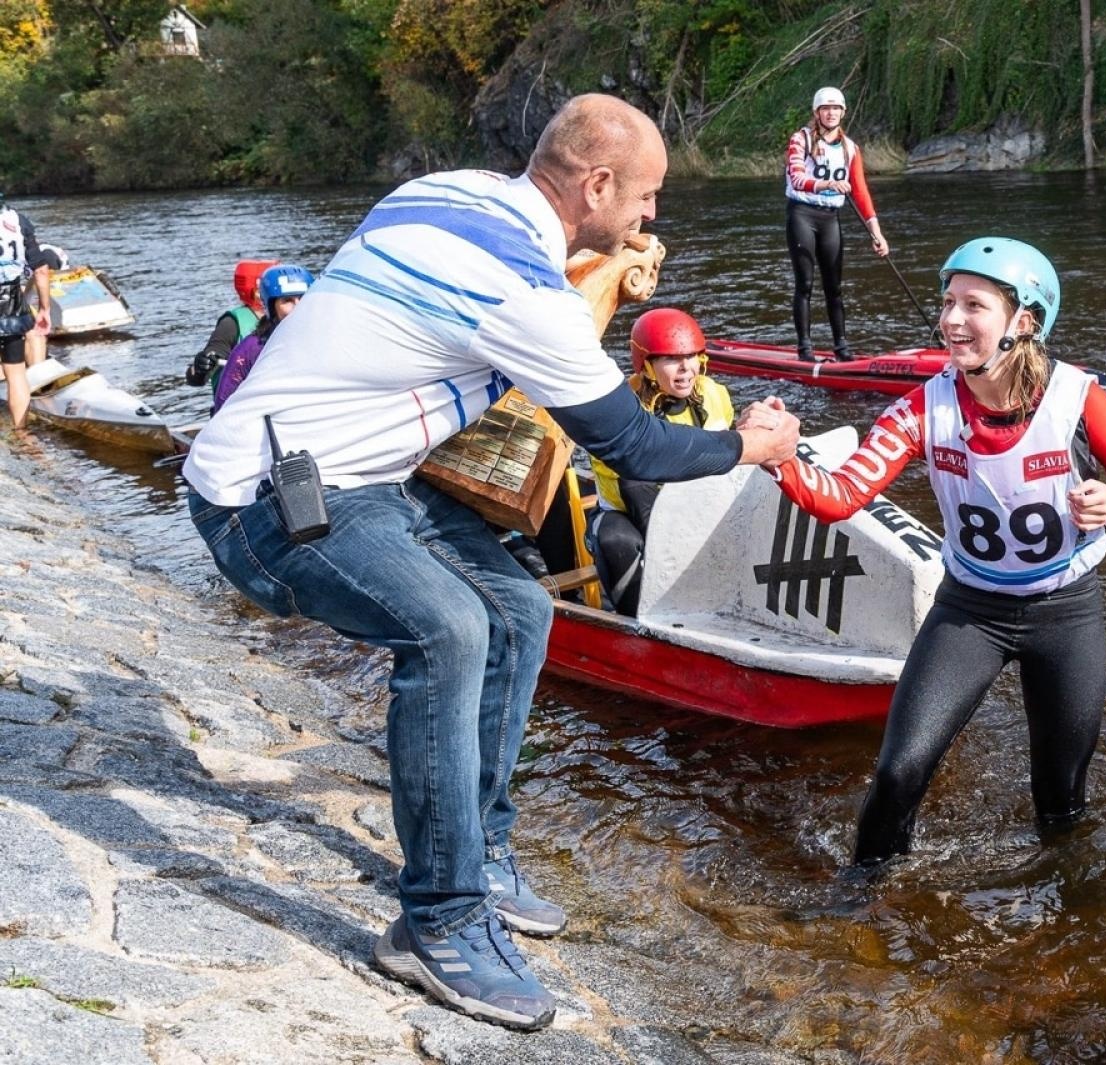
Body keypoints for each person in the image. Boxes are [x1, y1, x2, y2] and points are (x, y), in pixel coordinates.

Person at [182, 94, 799, 1031]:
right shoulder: (523, 295)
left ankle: (480, 854)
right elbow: (638, 446)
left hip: (361, 471)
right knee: (450, 628)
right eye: (646, 195)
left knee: (521, 609)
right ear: (596, 184)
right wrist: (750, 445)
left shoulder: (446, 192)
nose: (652, 217)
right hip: (261, 499)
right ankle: (438, 921)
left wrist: (596, 270)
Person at [766, 237, 1106, 865]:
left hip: (1066, 614)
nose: (951, 320)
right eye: (948, 303)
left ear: (1023, 323)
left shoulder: (1079, 397)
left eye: (973, 306)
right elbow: (842, 496)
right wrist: (778, 458)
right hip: (970, 611)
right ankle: (859, 905)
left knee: (1061, 800)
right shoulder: (923, 407)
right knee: (898, 773)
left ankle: (1065, 917)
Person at [587, 307, 734, 615]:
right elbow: (630, 485)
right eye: (672, 359)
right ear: (647, 365)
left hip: (697, 509)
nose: (686, 369)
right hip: (629, 515)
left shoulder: (714, 393)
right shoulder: (617, 410)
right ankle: (637, 618)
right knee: (617, 539)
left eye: (692, 356)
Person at [783, 86, 888, 363]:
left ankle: (842, 348)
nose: (831, 113)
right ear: (817, 113)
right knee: (805, 284)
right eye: (825, 108)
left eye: (836, 108)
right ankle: (805, 350)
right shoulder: (801, 139)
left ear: (843, 112)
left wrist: (876, 233)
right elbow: (796, 178)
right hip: (802, 215)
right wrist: (828, 184)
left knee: (835, 287)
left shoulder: (850, 148)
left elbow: (861, 191)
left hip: (830, 219)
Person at [211, 264, 312, 412]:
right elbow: (224, 404)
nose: (299, 307)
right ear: (272, 307)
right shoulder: (251, 349)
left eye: (303, 298)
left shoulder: (328, 339)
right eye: (287, 301)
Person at [0, 190, 53, 429]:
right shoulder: (19, 221)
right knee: (17, 373)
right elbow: (41, 269)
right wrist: (45, 309)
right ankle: (21, 430)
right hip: (11, 302)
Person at [185, 259, 276, 397]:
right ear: (258, 292)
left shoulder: (289, 318)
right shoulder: (231, 324)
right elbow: (196, 378)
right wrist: (200, 367)